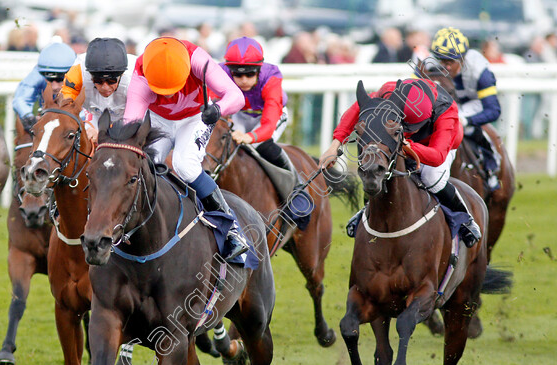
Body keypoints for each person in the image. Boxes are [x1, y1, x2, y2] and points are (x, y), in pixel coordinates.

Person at [123, 37, 248, 260]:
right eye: (161, 89)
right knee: (143, 164)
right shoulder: (141, 76)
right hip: (158, 120)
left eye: (173, 87)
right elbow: (130, 124)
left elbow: (236, 96)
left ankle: (232, 231)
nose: (169, 95)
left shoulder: (198, 59)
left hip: (194, 118)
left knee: (185, 166)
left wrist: (218, 109)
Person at [320, 78, 482, 248]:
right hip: (396, 135)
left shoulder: (446, 113)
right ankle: (366, 211)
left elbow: (437, 156)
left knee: (431, 177)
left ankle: (465, 218)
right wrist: (334, 146)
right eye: (406, 126)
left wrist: (405, 145)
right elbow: (357, 109)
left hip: (438, 145)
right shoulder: (389, 94)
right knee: (376, 167)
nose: (410, 131)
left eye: (413, 127)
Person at [219, 36, 312, 226]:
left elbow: (268, 126)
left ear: (259, 69)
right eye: (237, 74)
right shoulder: (220, 73)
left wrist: (249, 137)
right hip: (239, 114)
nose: (243, 80)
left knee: (260, 145)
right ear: (229, 70)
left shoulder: (271, 77)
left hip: (268, 115)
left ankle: (296, 189)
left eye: (250, 74)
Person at [430, 27, 501, 191]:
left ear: (462, 59)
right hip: (443, 104)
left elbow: (494, 110)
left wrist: (467, 120)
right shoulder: (428, 64)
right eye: (440, 60)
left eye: (450, 62)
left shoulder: (480, 71)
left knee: (461, 123)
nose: (444, 67)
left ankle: (491, 168)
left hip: (471, 104)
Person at [60, 37, 136, 143]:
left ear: (122, 74)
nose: (105, 87)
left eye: (111, 81)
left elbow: (137, 117)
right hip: (95, 113)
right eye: (98, 80)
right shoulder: (77, 72)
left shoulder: (135, 76)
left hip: (130, 113)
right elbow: (65, 108)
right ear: (90, 75)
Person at [12, 41, 77, 135]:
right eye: (49, 79)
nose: (54, 87)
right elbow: (20, 99)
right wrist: (28, 117)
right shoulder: (38, 73)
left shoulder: (79, 75)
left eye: (60, 79)